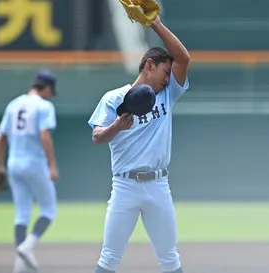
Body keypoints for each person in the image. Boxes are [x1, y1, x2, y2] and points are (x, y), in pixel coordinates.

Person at [88, 14, 190, 273]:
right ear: (149, 65)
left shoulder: (168, 93)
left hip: (159, 185)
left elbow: (184, 58)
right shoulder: (114, 99)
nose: (168, 78)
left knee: (170, 258)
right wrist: (116, 126)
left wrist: (155, 24)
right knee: (109, 257)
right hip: (125, 187)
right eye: (165, 72)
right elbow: (97, 137)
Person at [0, 70, 59, 273]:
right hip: (34, 163)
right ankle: (28, 246)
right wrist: (52, 164)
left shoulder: (14, 104)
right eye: (51, 90)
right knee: (49, 209)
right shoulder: (44, 105)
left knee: (22, 213)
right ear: (47, 88)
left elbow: (2, 136)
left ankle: (19, 265)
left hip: (14, 162)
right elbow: (44, 135)